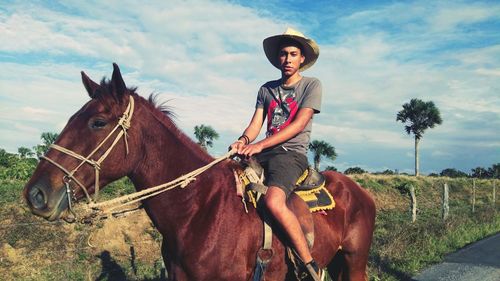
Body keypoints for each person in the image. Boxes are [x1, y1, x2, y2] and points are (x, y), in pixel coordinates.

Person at [230, 27, 323, 281]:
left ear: (302, 58)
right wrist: (243, 140)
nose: (288, 59)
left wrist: (260, 144)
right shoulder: (266, 89)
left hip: (290, 154)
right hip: (265, 152)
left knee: (272, 201)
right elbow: (255, 123)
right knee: (228, 184)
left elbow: (299, 124)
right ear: (277, 58)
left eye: (294, 53)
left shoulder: (311, 85)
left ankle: (309, 264)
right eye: (283, 54)